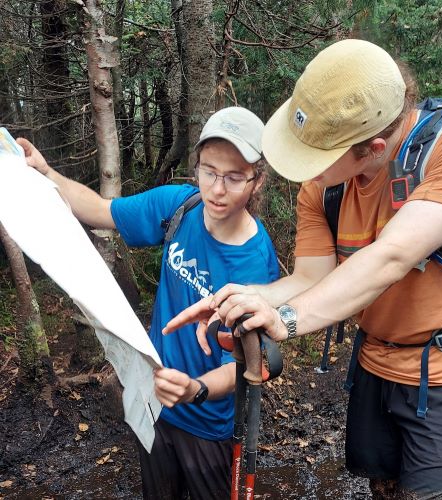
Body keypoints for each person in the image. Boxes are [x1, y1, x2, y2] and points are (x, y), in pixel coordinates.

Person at [165, 40, 442, 499]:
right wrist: (243, 297)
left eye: (317, 159)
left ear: (374, 148)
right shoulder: (323, 189)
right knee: (382, 486)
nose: (307, 171)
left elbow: (393, 255)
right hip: (375, 361)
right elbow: (310, 278)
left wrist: (282, 320)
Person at [17, 106, 280, 500]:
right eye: (208, 171)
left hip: (207, 424)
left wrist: (196, 389)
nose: (217, 189)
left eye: (234, 177)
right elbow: (102, 211)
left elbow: (246, 364)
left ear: (257, 181)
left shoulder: (255, 263)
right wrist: (46, 173)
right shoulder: (181, 207)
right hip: (154, 405)